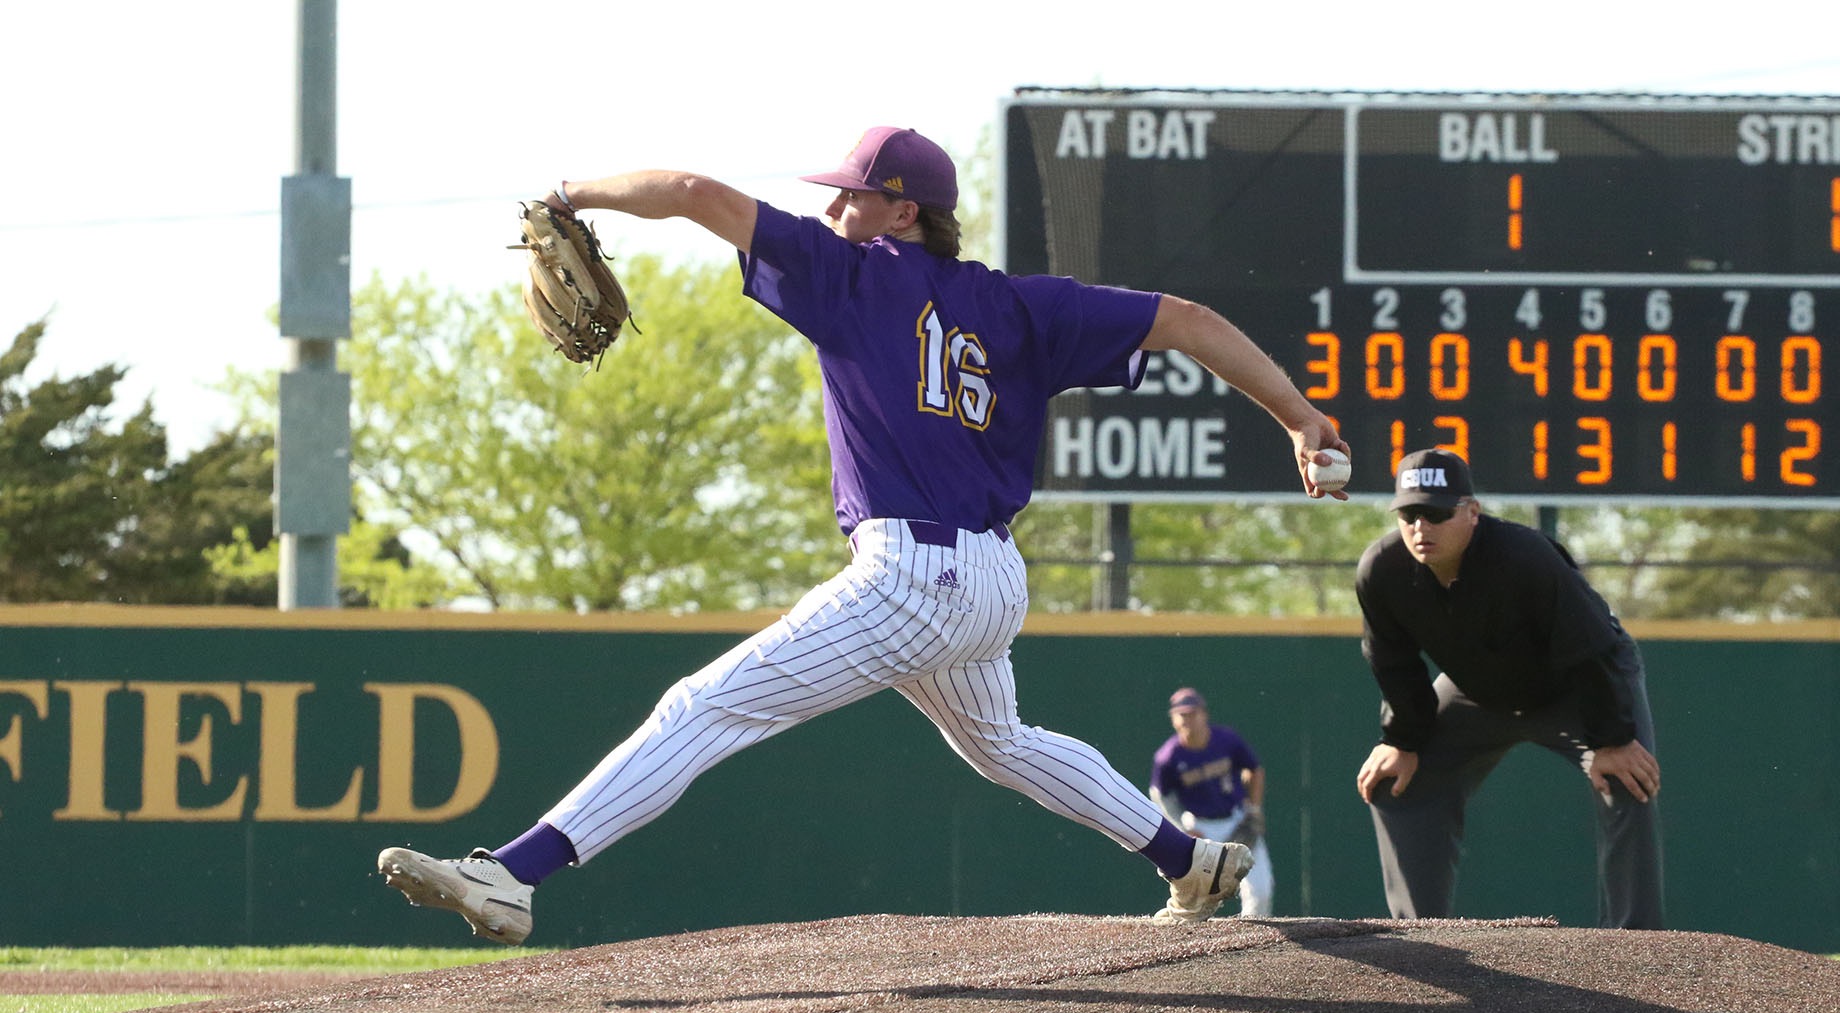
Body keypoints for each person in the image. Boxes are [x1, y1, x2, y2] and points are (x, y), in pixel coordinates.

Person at [376, 125, 1349, 944]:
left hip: (911, 576)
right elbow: (1185, 319)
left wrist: (566, 189)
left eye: (852, 195)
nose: (835, 209)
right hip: (993, 580)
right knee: (1002, 742)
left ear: (901, 211)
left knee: (704, 706)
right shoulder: (1018, 305)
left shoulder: (849, 275)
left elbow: (686, 190)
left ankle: (515, 872)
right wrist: (1301, 420)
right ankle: (1192, 861)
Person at [1352, 447, 1665, 929]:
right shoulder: (1383, 570)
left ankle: (1638, 947)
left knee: (1628, 776)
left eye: (1436, 513)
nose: (1421, 527)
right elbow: (1393, 664)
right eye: (1410, 514)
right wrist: (1402, 740)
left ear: (1472, 513)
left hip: (1576, 687)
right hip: (1476, 691)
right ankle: (1418, 937)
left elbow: (1589, 652)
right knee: (1394, 779)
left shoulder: (1525, 557)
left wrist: (1612, 739)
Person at [1148, 687, 1274, 918]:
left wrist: (1253, 809)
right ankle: (1206, 946)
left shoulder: (1226, 740)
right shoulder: (1168, 756)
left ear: (1204, 714)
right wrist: (1181, 826)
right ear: (1173, 719)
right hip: (1200, 826)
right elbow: (1160, 795)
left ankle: (1258, 944)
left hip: (1237, 819)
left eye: (1192, 713)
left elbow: (1254, 770)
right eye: (1182, 714)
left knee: (1261, 890)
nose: (1188, 720)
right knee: (1200, 896)